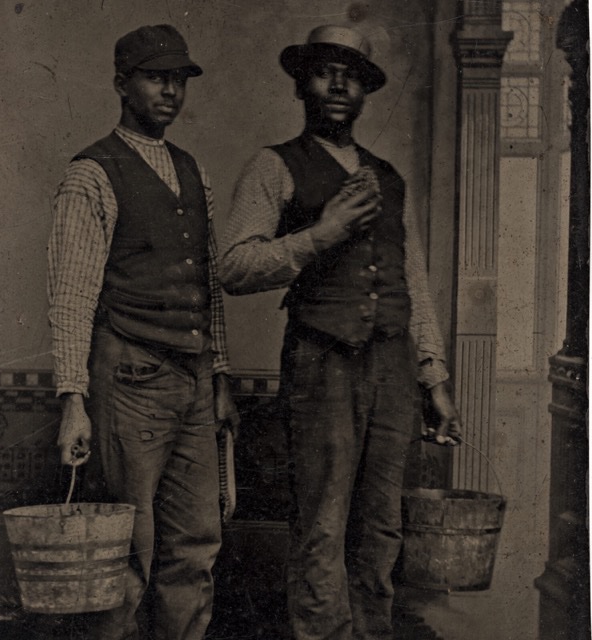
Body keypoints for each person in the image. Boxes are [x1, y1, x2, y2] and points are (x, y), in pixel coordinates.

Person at [219, 25, 461, 640]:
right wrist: (319, 235)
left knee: (380, 525)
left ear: (365, 91)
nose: (337, 83)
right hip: (320, 361)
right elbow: (235, 268)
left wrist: (433, 375)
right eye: (325, 71)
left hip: (393, 367)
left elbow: (414, 281)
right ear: (303, 83)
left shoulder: (389, 177)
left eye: (350, 74)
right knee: (322, 522)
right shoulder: (275, 166)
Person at [47, 24, 238, 640]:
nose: (171, 92)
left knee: (195, 546)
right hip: (127, 380)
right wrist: (72, 401)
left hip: (193, 381)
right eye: (157, 77)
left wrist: (221, 377)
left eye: (179, 79)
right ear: (121, 84)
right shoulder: (92, 173)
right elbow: (72, 297)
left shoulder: (192, 171)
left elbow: (208, 289)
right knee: (127, 551)